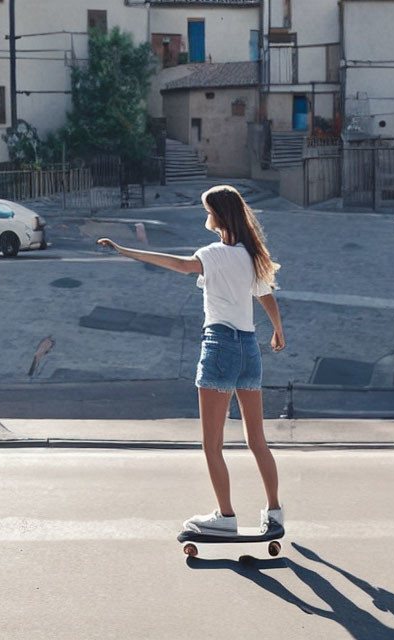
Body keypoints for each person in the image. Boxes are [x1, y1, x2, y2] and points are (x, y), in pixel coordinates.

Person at [97, 184, 285, 536]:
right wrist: (278, 330)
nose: (206, 216)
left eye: (208, 210)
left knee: (212, 444)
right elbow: (266, 296)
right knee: (256, 440)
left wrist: (125, 250)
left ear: (219, 216)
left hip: (220, 347)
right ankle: (275, 513)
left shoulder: (212, 254)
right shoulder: (251, 254)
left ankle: (226, 517)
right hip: (249, 348)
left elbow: (179, 265)